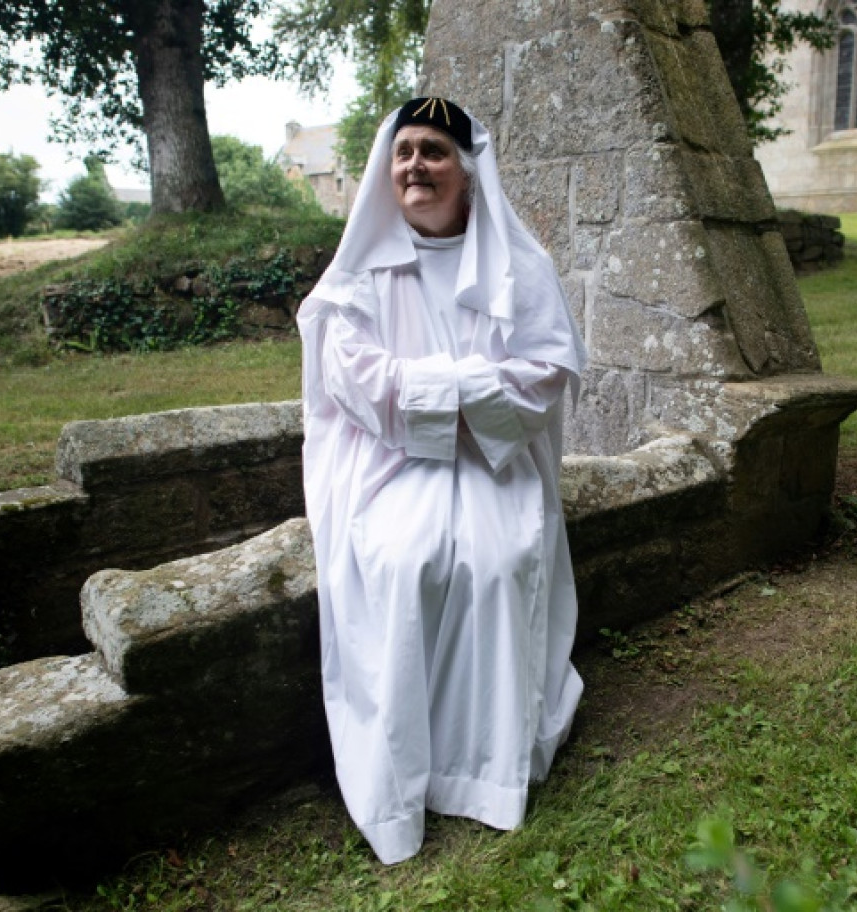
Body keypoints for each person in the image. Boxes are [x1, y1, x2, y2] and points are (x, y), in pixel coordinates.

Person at [297, 96, 588, 865]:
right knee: (400, 562)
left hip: (491, 462)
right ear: (386, 171)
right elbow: (353, 377)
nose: (415, 165)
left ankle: (488, 772)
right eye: (404, 153)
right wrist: (463, 386)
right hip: (393, 465)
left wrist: (434, 389)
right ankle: (404, 781)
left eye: (433, 151)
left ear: (467, 170)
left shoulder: (519, 266)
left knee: (499, 562)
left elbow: (546, 370)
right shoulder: (360, 271)